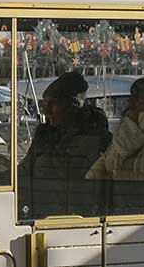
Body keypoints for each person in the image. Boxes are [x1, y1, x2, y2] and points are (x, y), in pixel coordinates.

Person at [18, 71, 109, 220]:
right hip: (38, 214)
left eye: (53, 103)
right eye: (45, 103)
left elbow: (67, 180)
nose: (46, 111)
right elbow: (25, 170)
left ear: (71, 105)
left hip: (74, 219)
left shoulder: (93, 137)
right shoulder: (45, 134)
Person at [87, 76, 144, 216]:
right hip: (112, 215)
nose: (130, 102)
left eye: (137, 98)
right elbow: (98, 170)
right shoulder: (124, 133)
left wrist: (115, 179)